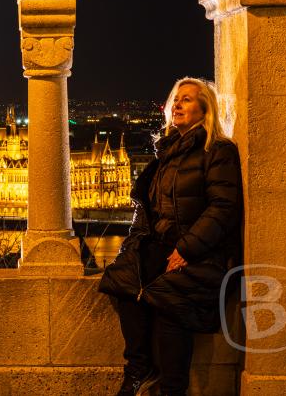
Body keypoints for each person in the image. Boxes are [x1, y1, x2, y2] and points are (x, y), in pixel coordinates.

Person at [98, 77, 243, 396]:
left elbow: (223, 208)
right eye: (176, 98)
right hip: (163, 247)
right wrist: (133, 248)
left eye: (187, 99)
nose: (177, 104)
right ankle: (138, 367)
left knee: (169, 305)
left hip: (201, 255)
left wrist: (187, 250)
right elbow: (148, 212)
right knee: (123, 280)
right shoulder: (165, 155)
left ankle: (170, 388)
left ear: (205, 110)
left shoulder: (218, 150)